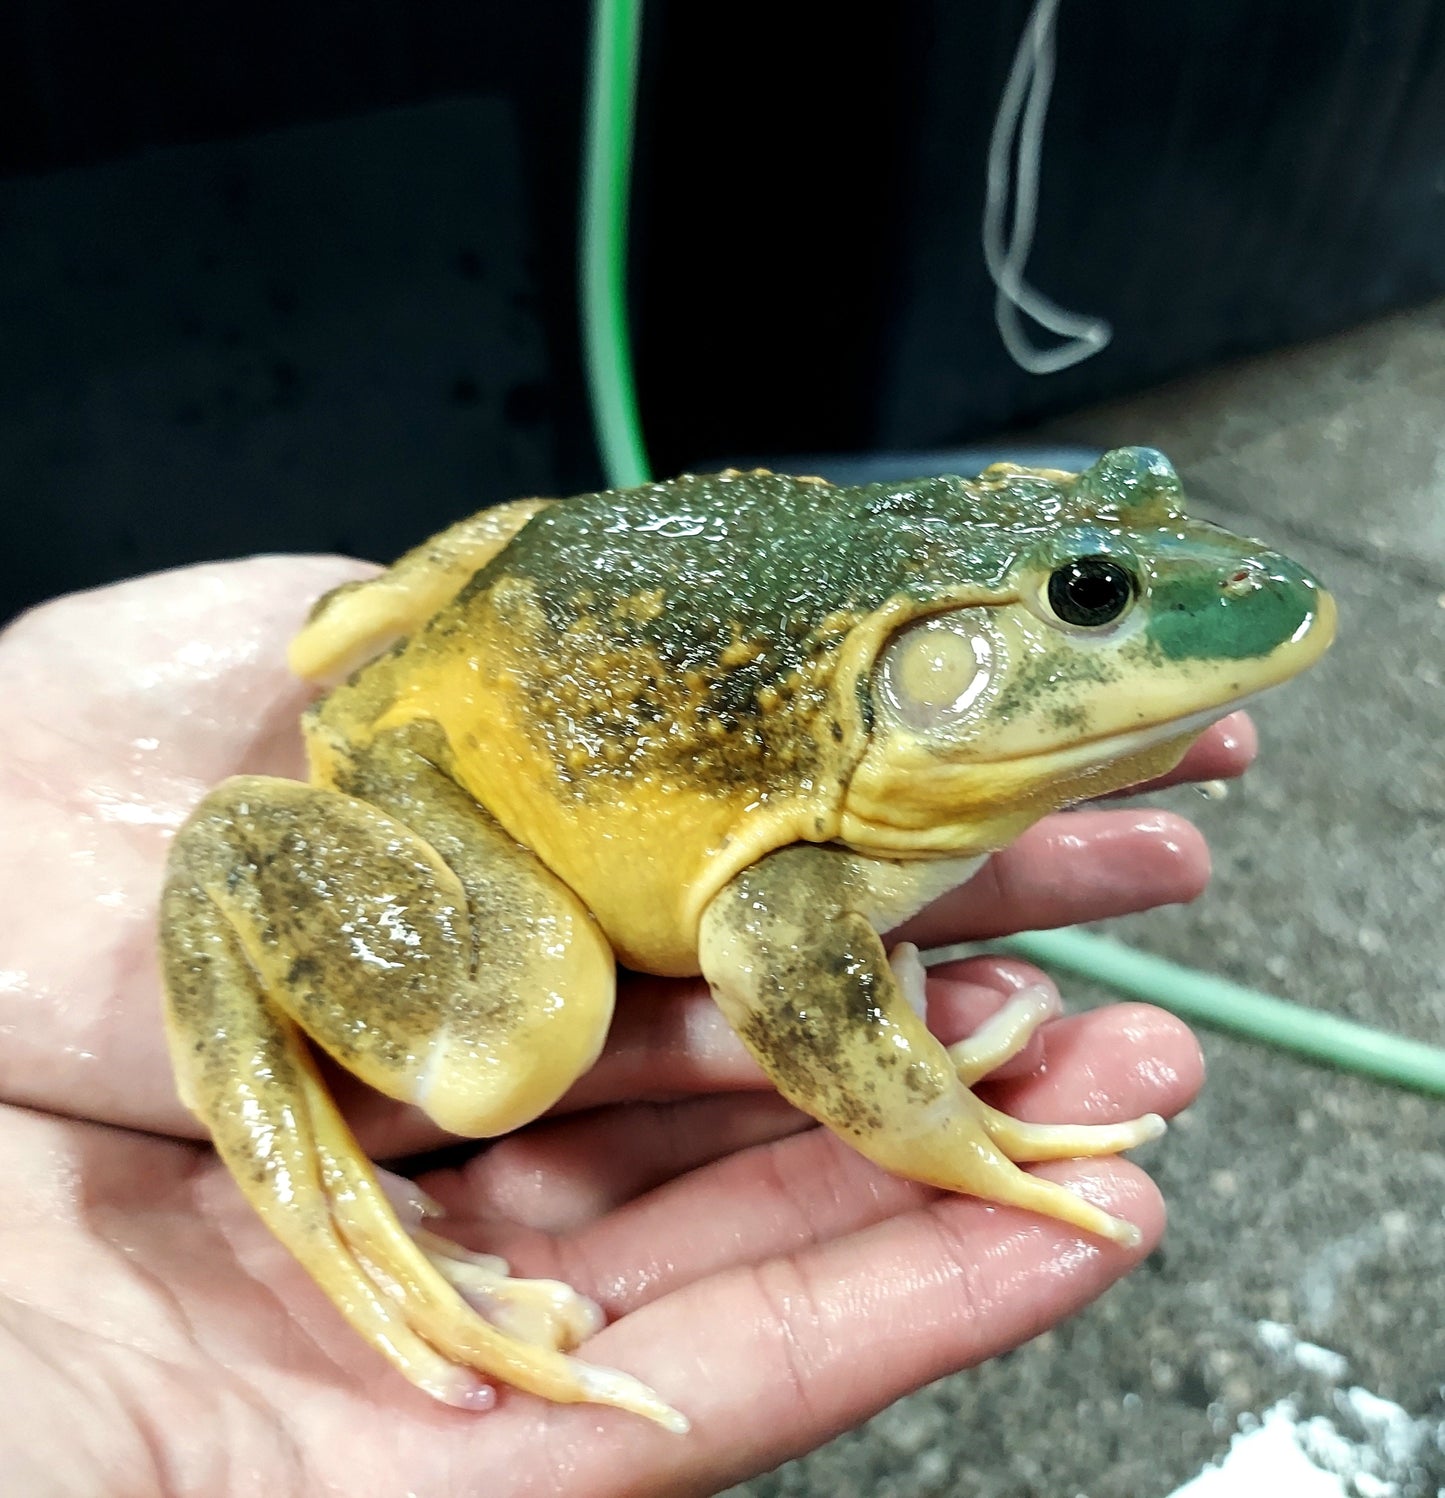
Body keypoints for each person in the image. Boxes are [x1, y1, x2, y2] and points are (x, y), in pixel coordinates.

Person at [0, 555, 1249, 1496]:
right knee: (502, 1057)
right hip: (444, 773)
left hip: (532, 620)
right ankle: (289, 1141)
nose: (1177, 607)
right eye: (1088, 596)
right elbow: (770, 939)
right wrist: (936, 1122)